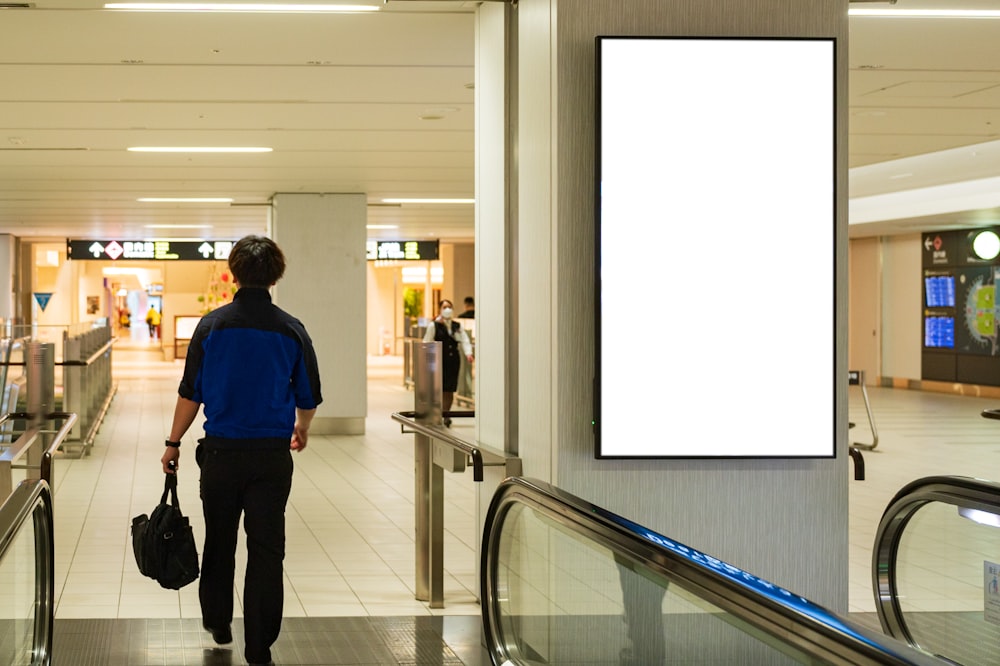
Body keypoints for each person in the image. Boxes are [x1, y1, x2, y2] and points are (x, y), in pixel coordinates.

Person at [160, 235, 322, 666]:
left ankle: (218, 621)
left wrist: (172, 443)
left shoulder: (211, 326)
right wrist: (300, 429)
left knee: (220, 539)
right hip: (270, 456)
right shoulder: (291, 329)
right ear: (275, 275)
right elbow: (308, 396)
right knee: (267, 548)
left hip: (221, 456)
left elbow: (190, 393)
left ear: (234, 273)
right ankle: (259, 646)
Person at [423, 298, 473, 426]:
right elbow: (427, 342)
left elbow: (465, 340)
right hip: (438, 360)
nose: (447, 309)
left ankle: (446, 414)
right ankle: (437, 413)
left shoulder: (457, 325)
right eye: (444, 307)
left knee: (449, 389)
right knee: (439, 388)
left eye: (449, 307)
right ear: (439, 309)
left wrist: (468, 353)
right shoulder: (434, 325)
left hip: (453, 361)